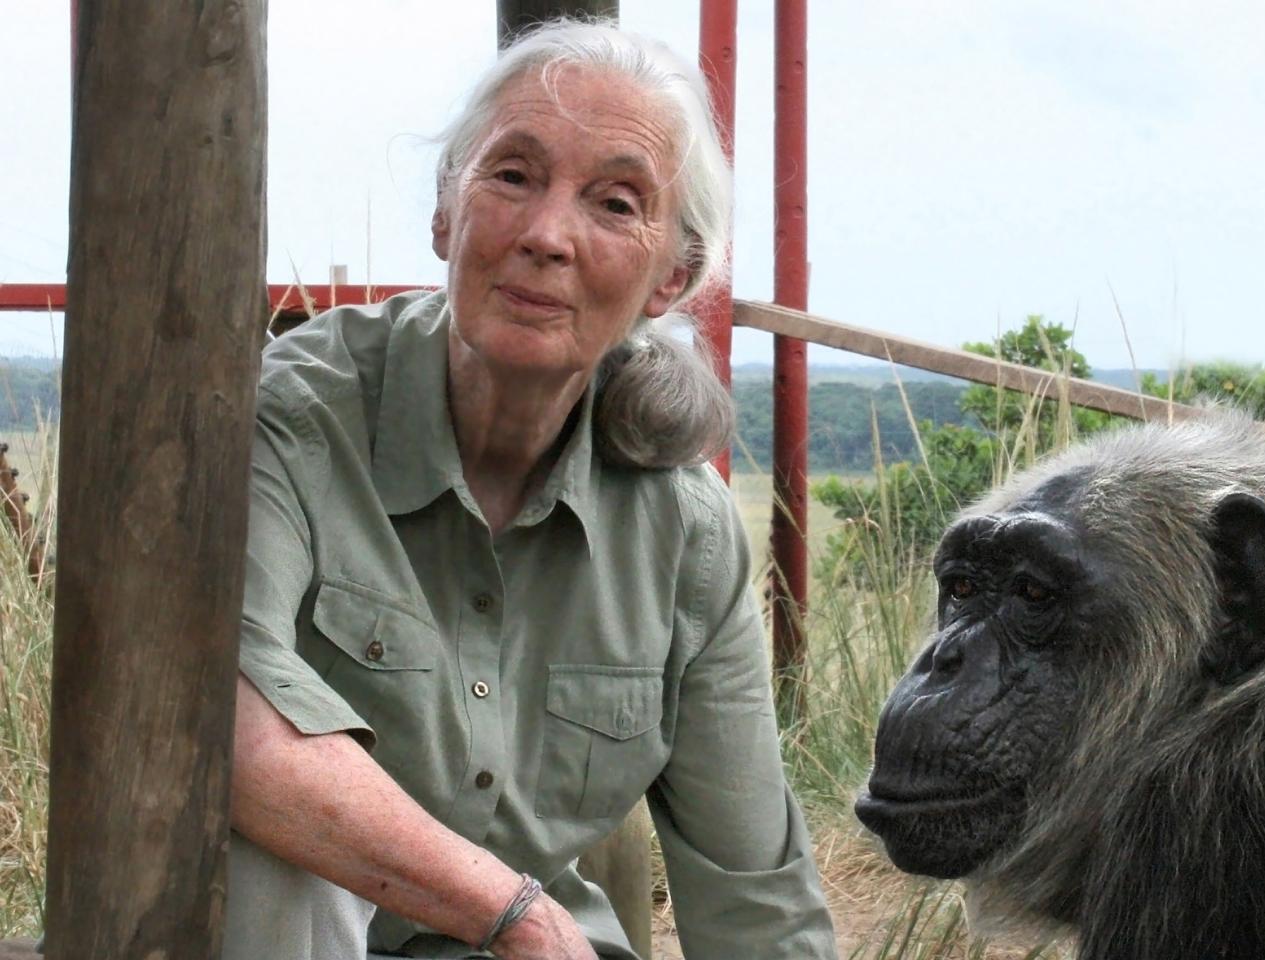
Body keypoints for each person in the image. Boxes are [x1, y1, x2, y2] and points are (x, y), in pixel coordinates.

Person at [223, 19, 837, 960]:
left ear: (672, 276)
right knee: (269, 857)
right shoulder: (293, 422)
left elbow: (754, 894)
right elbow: (226, 726)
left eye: (616, 203)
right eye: (512, 176)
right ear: (445, 212)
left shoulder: (686, 533)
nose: (547, 236)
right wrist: (514, 911)